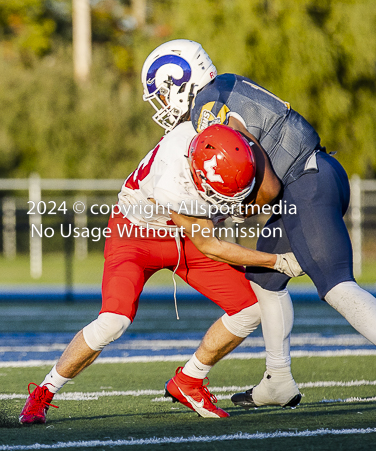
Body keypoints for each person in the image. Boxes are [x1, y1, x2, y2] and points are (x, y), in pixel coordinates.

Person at [140, 39, 376, 423]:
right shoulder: (222, 89)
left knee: (334, 283)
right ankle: (278, 379)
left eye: (162, 93)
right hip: (306, 181)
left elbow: (263, 184)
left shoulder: (210, 105)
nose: (163, 104)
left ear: (181, 79)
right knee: (264, 279)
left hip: (306, 181)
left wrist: (228, 211)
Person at [18, 122, 304, 424]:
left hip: (184, 237)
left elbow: (264, 183)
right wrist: (278, 261)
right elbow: (212, 245)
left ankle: (189, 380)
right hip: (136, 235)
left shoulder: (220, 141)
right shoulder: (173, 182)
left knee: (252, 308)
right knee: (113, 322)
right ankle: (44, 393)